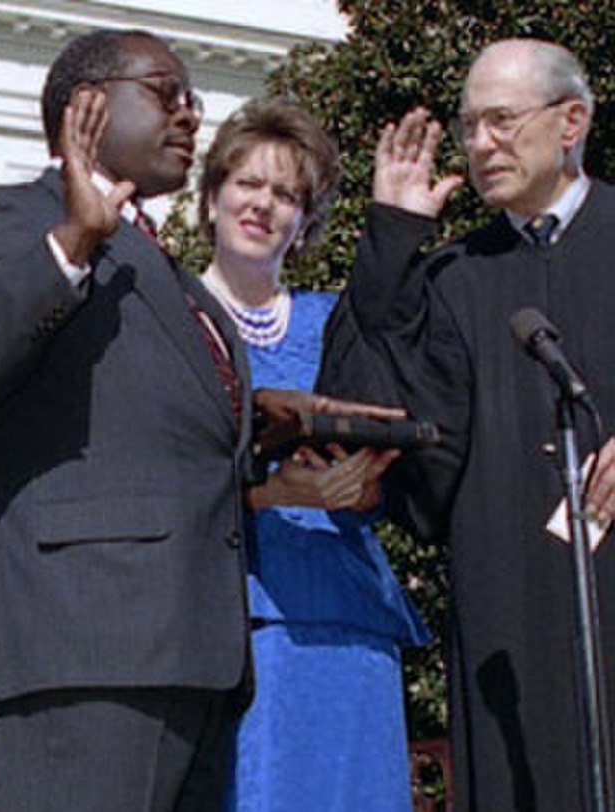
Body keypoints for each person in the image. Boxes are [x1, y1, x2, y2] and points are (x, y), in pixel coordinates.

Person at [0, 30, 400, 812]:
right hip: (87, 654)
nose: (188, 116)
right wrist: (70, 242)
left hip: (194, 665)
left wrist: (265, 429)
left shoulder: (169, 279)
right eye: (165, 93)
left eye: (191, 99)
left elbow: (161, 439)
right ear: (88, 107)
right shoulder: (11, 217)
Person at [318, 38, 615, 811]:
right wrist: (389, 237)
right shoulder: (451, 275)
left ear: (572, 118)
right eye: (470, 125)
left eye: (503, 121)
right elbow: (364, 417)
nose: (480, 144)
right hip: (508, 608)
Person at [197, 97, 429, 812]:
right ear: (211, 198)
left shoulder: (339, 323)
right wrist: (266, 493)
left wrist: (369, 488)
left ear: (305, 222)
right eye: (249, 184)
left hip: (353, 623)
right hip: (240, 628)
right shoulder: (172, 320)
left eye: (287, 194)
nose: (264, 205)